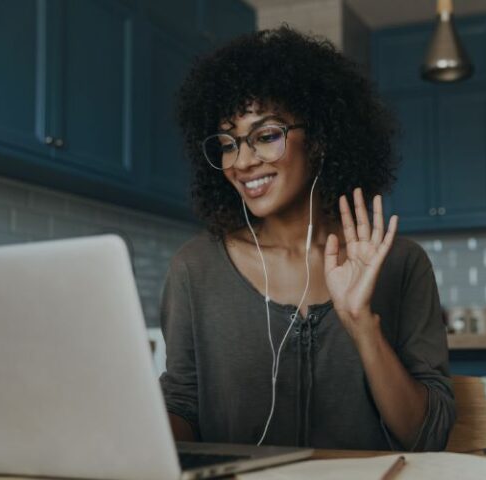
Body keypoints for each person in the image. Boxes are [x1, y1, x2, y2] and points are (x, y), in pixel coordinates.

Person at [159, 26, 454, 452]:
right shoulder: (195, 268)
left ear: (318, 138)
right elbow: (182, 409)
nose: (241, 162)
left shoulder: (400, 263)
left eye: (265, 136)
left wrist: (361, 327)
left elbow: (428, 436)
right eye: (227, 143)